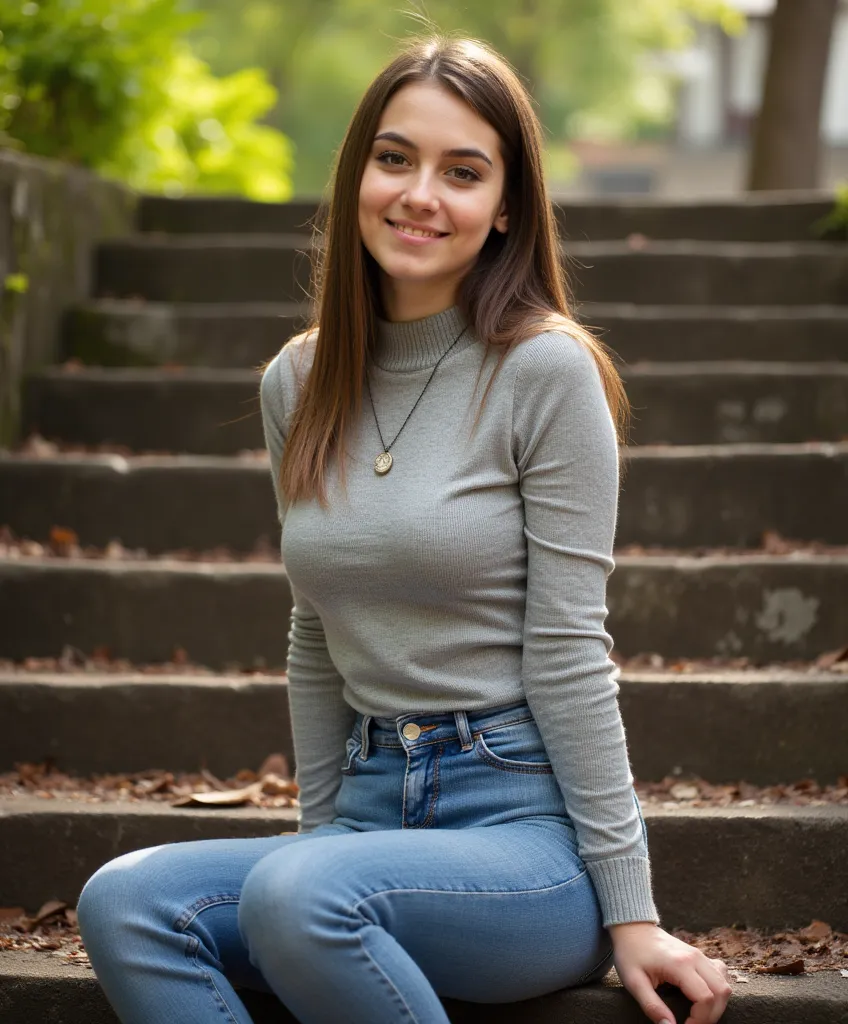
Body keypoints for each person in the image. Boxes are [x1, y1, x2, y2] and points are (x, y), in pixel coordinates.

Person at [76, 33, 733, 1024]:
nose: (420, 193)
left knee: (303, 898)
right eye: (394, 159)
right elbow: (313, 633)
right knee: (126, 899)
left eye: (461, 172)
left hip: (521, 837)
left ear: (504, 205)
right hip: (370, 808)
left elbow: (566, 649)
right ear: (355, 177)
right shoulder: (296, 380)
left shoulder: (542, 373)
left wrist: (630, 912)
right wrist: (318, 836)